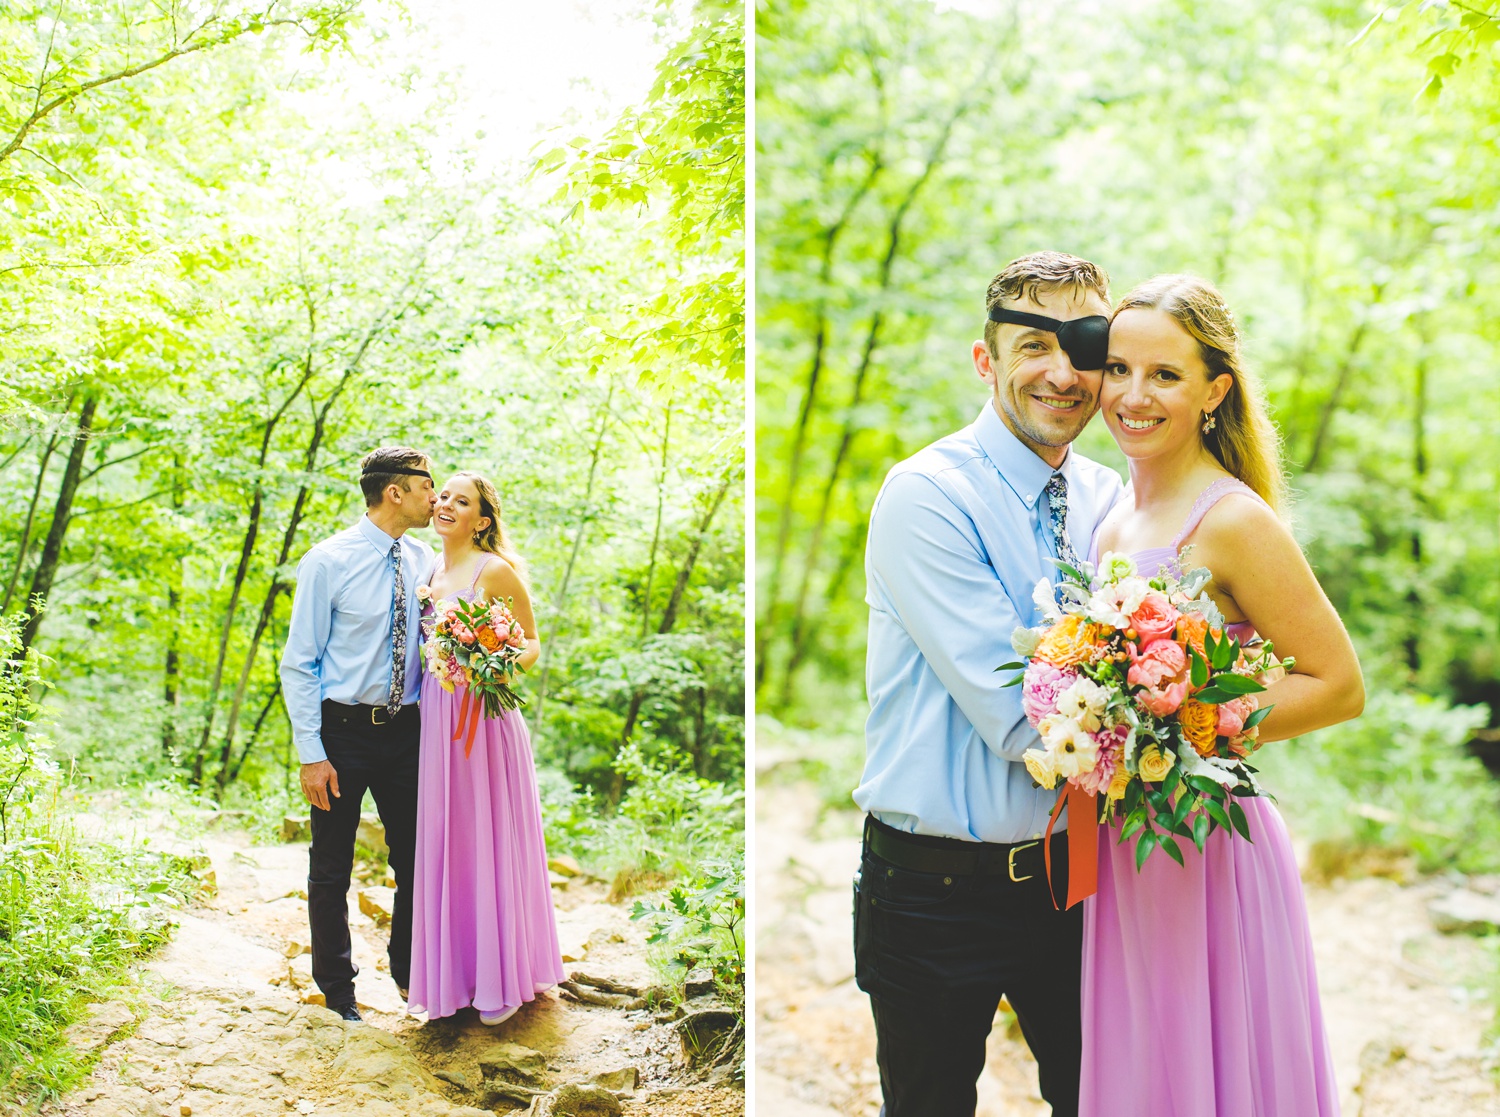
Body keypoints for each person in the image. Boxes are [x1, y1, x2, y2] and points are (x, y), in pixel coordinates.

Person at [1080, 274, 1362, 1115]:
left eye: (1164, 374)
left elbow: (1340, 684)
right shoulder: (1114, 523)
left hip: (1208, 836)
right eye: (1119, 368)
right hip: (1126, 844)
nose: (1133, 395)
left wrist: (1192, 721)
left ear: (1214, 389)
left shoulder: (1233, 520)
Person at [853, 251, 1125, 1117]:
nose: (1061, 371)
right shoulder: (927, 496)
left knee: (1106, 1100)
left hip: (1080, 880)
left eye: (1084, 347)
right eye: (1032, 344)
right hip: (936, 892)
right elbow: (1024, 718)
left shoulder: (1111, 497)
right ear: (987, 361)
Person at [280, 446, 437, 1022]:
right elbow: (300, 663)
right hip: (342, 734)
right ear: (395, 492)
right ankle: (339, 994)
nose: (434, 496)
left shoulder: (426, 562)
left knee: (420, 860)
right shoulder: (327, 561)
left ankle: (410, 975)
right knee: (331, 868)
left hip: (410, 733)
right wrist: (311, 754)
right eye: (427, 485)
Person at [406, 471, 565, 1024]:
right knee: (448, 842)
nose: (447, 504)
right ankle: (455, 980)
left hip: (482, 715)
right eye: (444, 496)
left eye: (462, 500)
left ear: (483, 519)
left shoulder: (493, 570)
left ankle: (501, 980)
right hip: (436, 717)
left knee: (486, 836)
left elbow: (533, 642)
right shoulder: (428, 567)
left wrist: (490, 660)